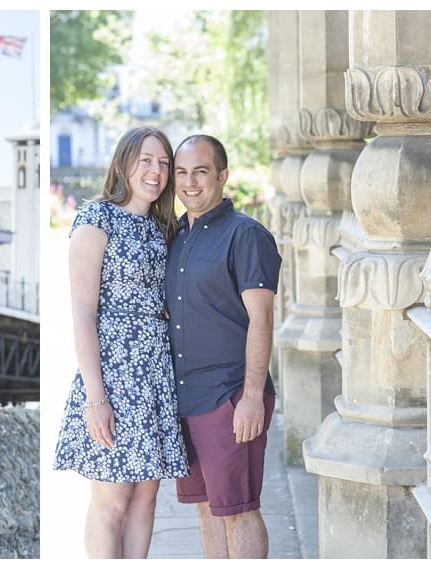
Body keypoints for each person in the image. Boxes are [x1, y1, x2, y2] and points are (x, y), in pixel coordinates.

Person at [53, 126, 189, 558]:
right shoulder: (97, 219)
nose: (156, 171)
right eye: (146, 160)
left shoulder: (162, 227)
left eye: (163, 162)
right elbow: (82, 314)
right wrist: (97, 396)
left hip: (155, 372)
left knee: (147, 498)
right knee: (112, 501)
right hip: (114, 371)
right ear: (124, 163)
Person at [166, 134, 281, 559]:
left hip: (230, 396)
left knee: (240, 511)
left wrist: (252, 396)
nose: (190, 182)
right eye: (182, 172)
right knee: (207, 510)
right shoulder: (176, 236)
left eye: (200, 171)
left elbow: (261, 319)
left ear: (222, 176)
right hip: (187, 397)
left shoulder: (246, 236)